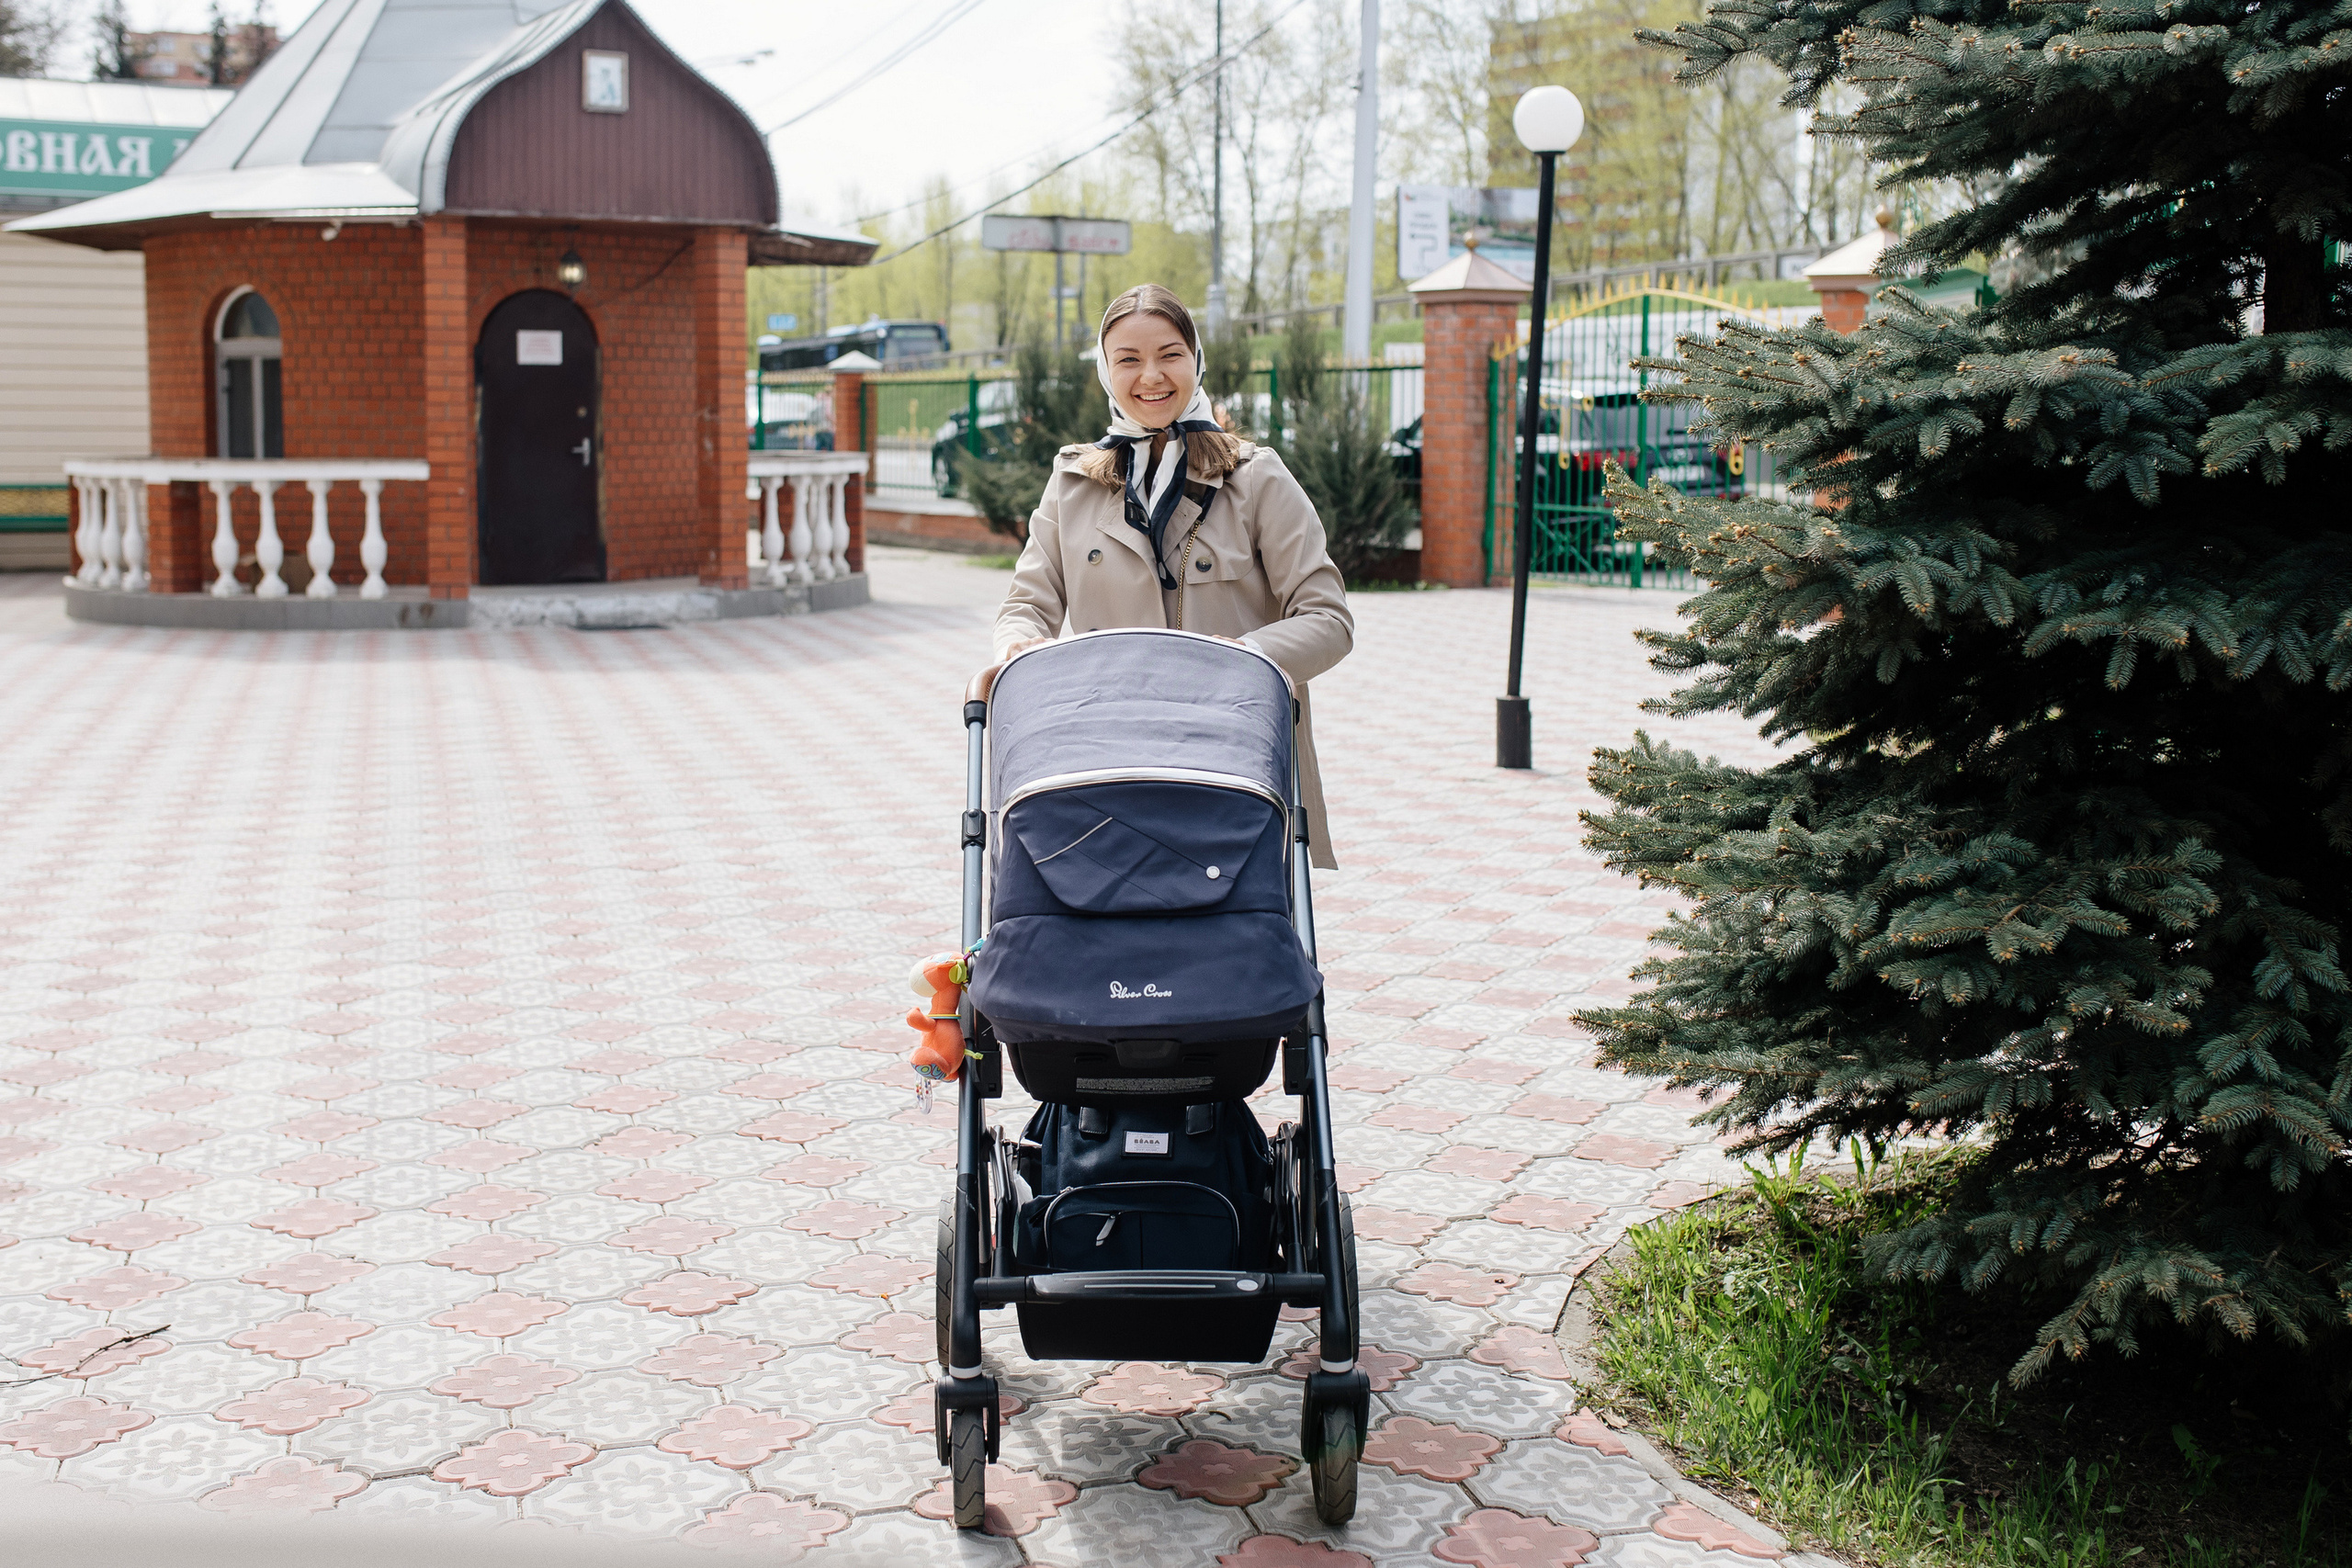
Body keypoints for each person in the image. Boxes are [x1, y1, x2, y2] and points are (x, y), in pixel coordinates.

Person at [992, 283, 1353, 867]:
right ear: (1107, 373)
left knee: (1230, 938)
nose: (1151, 376)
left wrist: (1242, 657)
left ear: (1195, 359)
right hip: (1108, 756)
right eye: (1128, 360)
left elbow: (1328, 620)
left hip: (1232, 754)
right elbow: (1026, 605)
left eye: (1169, 354)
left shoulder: (1256, 479)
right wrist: (1017, 647)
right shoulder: (1072, 483)